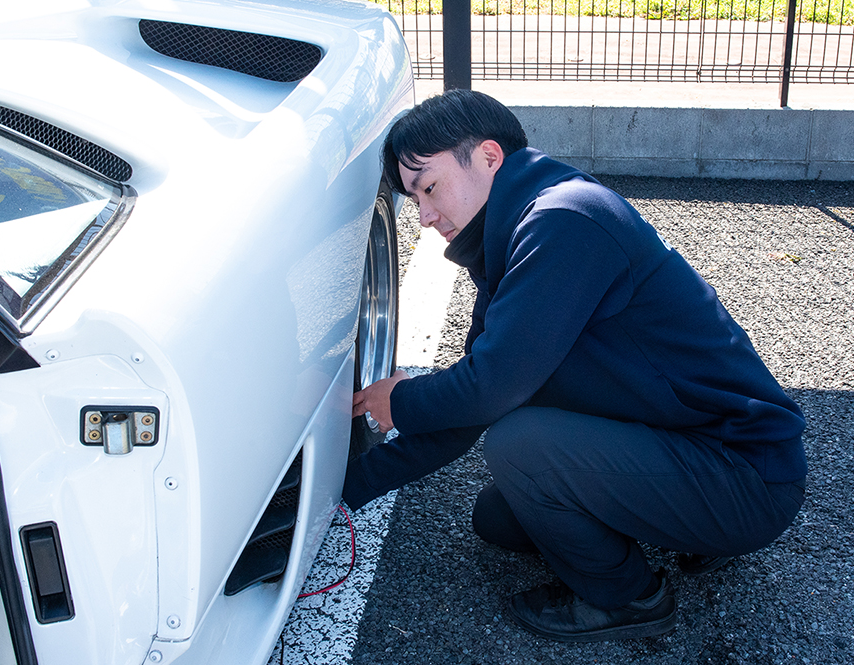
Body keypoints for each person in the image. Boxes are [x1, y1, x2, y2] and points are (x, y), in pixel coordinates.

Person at [345, 89, 807, 642]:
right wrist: (348, 487)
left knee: (520, 448)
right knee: (499, 518)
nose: (424, 216)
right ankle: (692, 529)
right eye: (414, 199)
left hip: (746, 476)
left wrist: (399, 401)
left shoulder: (565, 221)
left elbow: (489, 390)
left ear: (489, 157)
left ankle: (630, 599)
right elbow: (474, 400)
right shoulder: (515, 233)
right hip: (686, 447)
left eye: (429, 187)